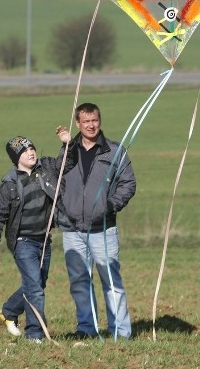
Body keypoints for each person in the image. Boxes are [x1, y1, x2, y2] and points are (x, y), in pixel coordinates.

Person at [0, 127, 76, 343]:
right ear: (17, 158)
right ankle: (34, 334)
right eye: (25, 151)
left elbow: (67, 163)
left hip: (44, 238)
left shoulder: (46, 168)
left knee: (37, 282)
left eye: (32, 148)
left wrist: (67, 144)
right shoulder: (9, 184)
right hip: (22, 241)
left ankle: (9, 310)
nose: (31, 153)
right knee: (35, 288)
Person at [58, 102, 137, 339]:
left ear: (99, 121)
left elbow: (128, 183)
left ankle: (120, 332)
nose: (91, 125)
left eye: (94, 120)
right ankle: (86, 328)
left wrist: (110, 206)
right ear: (78, 124)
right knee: (80, 283)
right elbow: (57, 181)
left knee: (111, 282)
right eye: (86, 121)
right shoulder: (67, 151)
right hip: (72, 230)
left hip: (103, 229)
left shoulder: (114, 151)